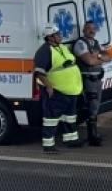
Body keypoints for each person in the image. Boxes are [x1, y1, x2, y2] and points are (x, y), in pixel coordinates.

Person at [33, 23, 83, 153]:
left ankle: (71, 140)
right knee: (51, 119)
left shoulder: (62, 47)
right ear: (50, 37)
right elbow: (39, 73)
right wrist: (49, 87)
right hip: (57, 91)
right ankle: (48, 146)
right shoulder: (44, 51)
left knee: (70, 117)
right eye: (57, 34)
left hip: (71, 90)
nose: (60, 36)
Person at [73, 19, 106, 147]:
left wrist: (96, 56)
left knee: (95, 107)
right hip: (88, 81)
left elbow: (108, 56)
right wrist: (99, 58)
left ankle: (93, 134)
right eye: (88, 28)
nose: (91, 31)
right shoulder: (81, 43)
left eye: (93, 28)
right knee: (90, 107)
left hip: (98, 79)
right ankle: (92, 137)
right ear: (83, 30)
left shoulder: (96, 43)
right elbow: (89, 62)